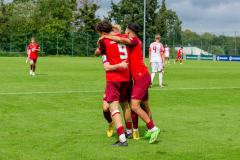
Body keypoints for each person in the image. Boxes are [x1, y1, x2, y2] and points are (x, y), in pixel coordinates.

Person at [100, 23, 160, 144]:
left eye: (127, 28)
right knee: (143, 106)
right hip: (139, 78)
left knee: (134, 106)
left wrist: (105, 37)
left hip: (141, 78)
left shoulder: (133, 40)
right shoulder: (132, 40)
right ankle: (149, 128)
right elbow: (119, 40)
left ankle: (153, 128)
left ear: (129, 30)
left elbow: (121, 39)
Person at [95, 20, 131, 146]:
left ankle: (122, 139)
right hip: (126, 78)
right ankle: (129, 132)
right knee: (123, 105)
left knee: (113, 108)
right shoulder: (123, 37)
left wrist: (118, 65)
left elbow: (107, 67)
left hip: (114, 78)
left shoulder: (103, 41)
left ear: (102, 32)